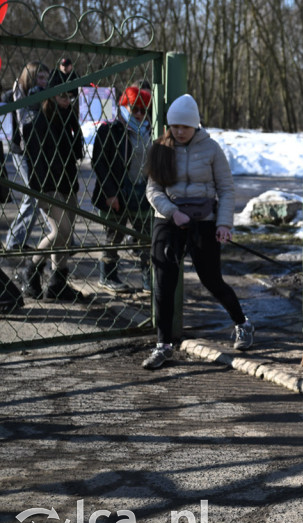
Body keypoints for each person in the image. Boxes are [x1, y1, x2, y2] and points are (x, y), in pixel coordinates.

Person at [142, 94, 254, 370]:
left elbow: (226, 189)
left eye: (185, 127)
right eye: (175, 126)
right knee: (164, 282)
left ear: (195, 125)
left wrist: (224, 224)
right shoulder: (160, 148)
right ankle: (163, 344)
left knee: (211, 279)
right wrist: (172, 212)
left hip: (204, 220)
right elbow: (152, 190)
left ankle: (243, 324)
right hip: (168, 220)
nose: (179, 132)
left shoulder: (212, 149)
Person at [18, 89, 85, 301]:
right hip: (48, 186)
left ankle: (58, 284)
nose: (67, 101)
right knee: (61, 231)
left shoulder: (66, 118)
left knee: (66, 236)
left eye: (70, 97)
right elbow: (36, 160)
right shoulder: (38, 122)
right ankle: (30, 269)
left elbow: (77, 152)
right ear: (52, 96)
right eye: (63, 96)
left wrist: (74, 123)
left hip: (68, 182)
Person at [92, 85, 154, 292]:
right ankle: (107, 276)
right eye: (134, 108)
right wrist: (110, 193)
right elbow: (99, 163)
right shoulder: (110, 128)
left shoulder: (151, 130)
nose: (138, 114)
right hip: (118, 192)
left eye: (143, 110)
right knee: (114, 236)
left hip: (142, 191)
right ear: (124, 106)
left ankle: (148, 279)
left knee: (147, 237)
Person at [5, 61, 53, 251]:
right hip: (21, 150)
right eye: (40, 77)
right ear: (31, 76)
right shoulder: (13, 96)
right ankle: (15, 240)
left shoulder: (44, 96)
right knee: (34, 193)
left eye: (46, 78)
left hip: (40, 150)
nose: (43, 82)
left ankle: (16, 239)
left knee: (36, 193)